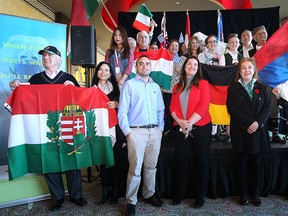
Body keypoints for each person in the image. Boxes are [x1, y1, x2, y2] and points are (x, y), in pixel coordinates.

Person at [9, 45, 87, 211]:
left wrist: (74, 89)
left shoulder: (69, 78)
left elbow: (82, 102)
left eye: (50, 55)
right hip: (45, 130)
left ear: (58, 59)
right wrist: (17, 86)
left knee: (72, 160)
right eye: (44, 55)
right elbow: (25, 99)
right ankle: (57, 197)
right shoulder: (35, 79)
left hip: (67, 128)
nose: (46, 58)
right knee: (49, 161)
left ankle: (76, 195)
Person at [118, 55, 165, 216]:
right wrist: (128, 133)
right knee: (135, 169)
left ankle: (149, 194)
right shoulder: (129, 85)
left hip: (155, 133)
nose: (145, 66)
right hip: (136, 132)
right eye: (141, 64)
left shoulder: (155, 86)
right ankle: (131, 201)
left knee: (151, 167)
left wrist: (160, 129)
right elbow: (122, 111)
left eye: (147, 64)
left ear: (150, 67)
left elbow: (161, 110)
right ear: (136, 67)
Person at [226, 57, 271, 207]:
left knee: (256, 164)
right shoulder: (233, 88)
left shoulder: (262, 87)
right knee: (242, 164)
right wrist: (248, 124)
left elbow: (267, 108)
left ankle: (255, 194)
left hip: (258, 132)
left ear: (254, 70)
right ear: (240, 71)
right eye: (244, 68)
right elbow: (232, 109)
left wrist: (257, 123)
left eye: (249, 68)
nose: (247, 70)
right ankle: (243, 193)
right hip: (241, 132)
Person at [170, 56, 212, 208]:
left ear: (198, 68)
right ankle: (178, 194)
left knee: (200, 161)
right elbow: (172, 108)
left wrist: (189, 123)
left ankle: (199, 196)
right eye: (189, 64)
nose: (192, 66)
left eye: (195, 64)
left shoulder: (203, 83)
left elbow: (203, 105)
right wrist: (181, 122)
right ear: (184, 66)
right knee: (180, 161)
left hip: (201, 127)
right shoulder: (176, 86)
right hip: (181, 127)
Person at [91, 61, 128, 205]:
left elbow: (126, 105)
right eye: (101, 70)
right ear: (97, 72)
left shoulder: (117, 89)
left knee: (116, 161)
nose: (103, 72)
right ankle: (104, 191)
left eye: (106, 70)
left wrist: (117, 104)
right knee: (103, 161)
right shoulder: (92, 89)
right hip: (100, 130)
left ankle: (115, 192)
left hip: (115, 130)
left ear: (110, 73)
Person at [249, 25, 285, 144]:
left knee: (274, 107)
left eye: (264, 33)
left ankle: (275, 134)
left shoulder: (274, 49)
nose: (263, 35)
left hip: (274, 82)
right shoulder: (251, 52)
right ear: (254, 38)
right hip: (259, 83)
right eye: (259, 34)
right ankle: (260, 132)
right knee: (259, 108)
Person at [162, 39, 186, 137]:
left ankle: (177, 129)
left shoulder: (183, 59)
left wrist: (179, 69)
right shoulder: (163, 59)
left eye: (176, 46)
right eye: (172, 45)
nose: (174, 47)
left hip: (178, 90)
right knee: (167, 110)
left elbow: (186, 74)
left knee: (177, 110)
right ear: (168, 47)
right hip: (166, 89)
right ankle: (169, 130)